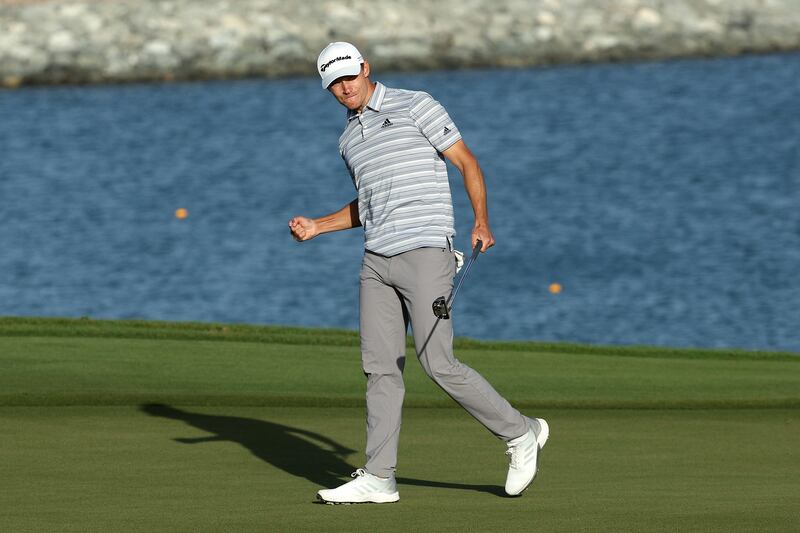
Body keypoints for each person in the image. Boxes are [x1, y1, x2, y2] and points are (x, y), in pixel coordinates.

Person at [289, 41, 549, 504]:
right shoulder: (348, 140)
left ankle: (522, 433)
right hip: (376, 261)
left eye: (350, 76)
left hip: (426, 251)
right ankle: (379, 477)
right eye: (335, 83)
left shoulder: (416, 104)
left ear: (366, 68)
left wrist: (482, 220)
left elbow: (466, 161)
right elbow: (369, 206)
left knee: (438, 363)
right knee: (380, 370)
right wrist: (319, 226)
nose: (345, 87)